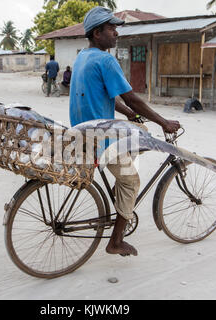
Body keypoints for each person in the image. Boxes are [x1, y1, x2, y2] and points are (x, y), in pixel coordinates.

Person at [69, 7, 181, 257]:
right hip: (102, 140)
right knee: (131, 181)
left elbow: (105, 97)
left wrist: (128, 114)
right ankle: (116, 241)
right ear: (97, 33)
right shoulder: (106, 60)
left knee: (137, 132)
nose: (116, 33)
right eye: (111, 28)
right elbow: (132, 98)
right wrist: (163, 122)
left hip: (82, 132)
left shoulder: (82, 57)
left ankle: (122, 204)